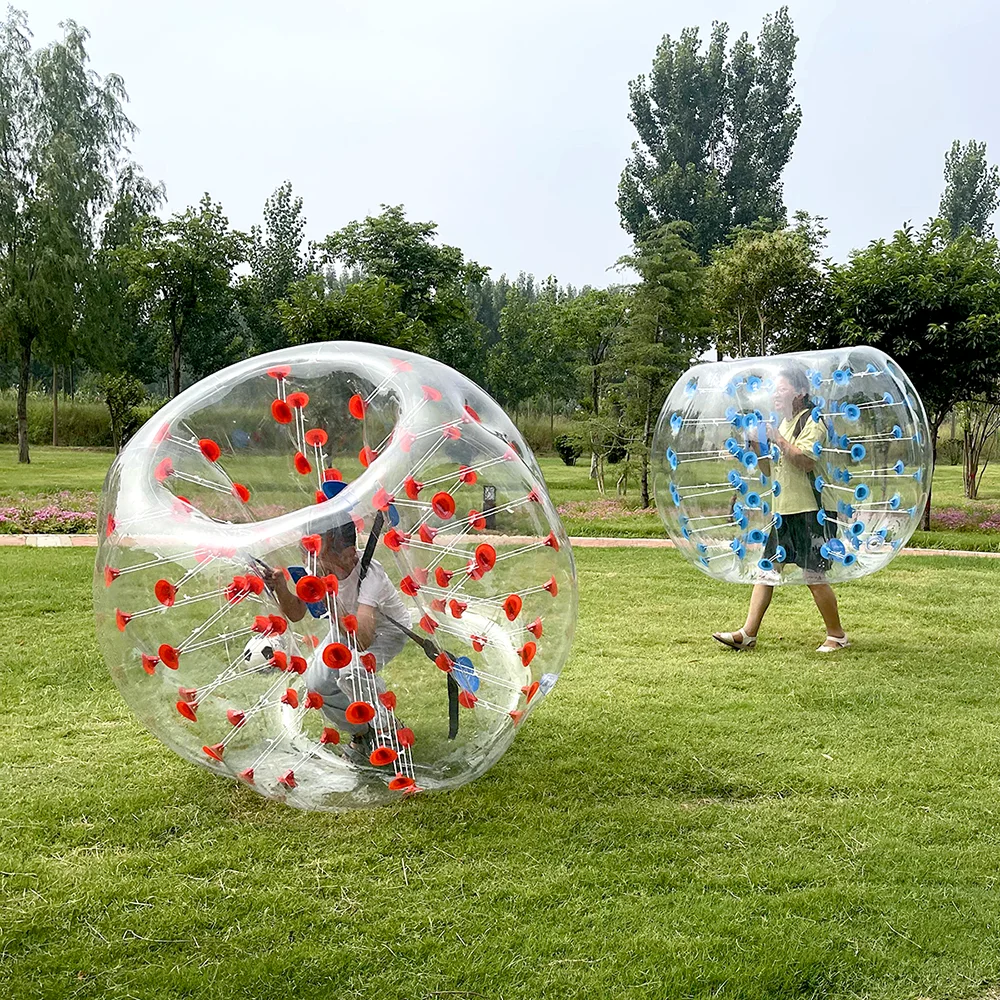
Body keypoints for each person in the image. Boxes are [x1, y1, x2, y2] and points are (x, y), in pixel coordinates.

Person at [713, 366, 850, 654]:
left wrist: (777, 439)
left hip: (814, 511)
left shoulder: (813, 421)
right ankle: (747, 634)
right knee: (767, 572)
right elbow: (770, 471)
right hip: (784, 511)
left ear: (799, 393)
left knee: (814, 576)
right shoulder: (783, 424)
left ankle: (836, 635)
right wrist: (757, 446)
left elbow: (806, 461)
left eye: (782, 388)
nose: (776, 393)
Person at [260, 520, 411, 754]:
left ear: (349, 554)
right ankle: (361, 733)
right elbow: (297, 613)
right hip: (344, 627)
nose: (308, 559)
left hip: (385, 632)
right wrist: (281, 586)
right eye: (307, 549)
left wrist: (329, 596)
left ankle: (388, 728)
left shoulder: (370, 576)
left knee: (353, 671)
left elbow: (362, 640)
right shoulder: (317, 567)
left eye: (317, 551)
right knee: (316, 683)